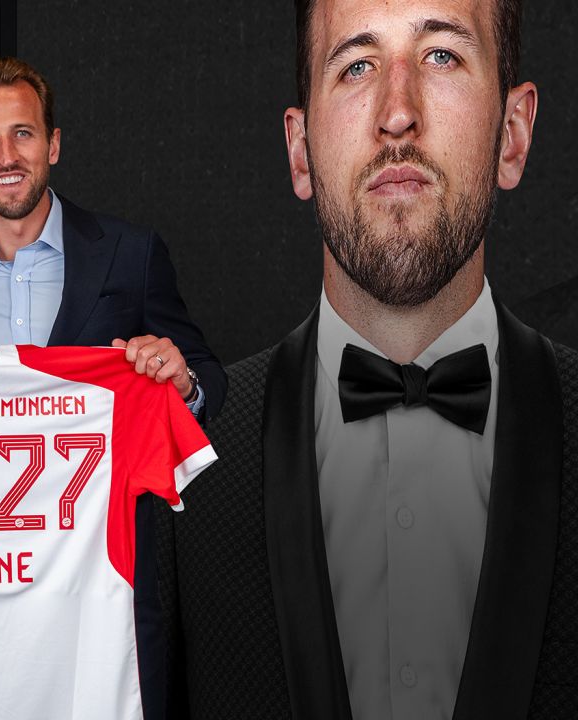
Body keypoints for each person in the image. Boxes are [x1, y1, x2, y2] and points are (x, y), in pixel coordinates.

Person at [156, 1, 577, 719]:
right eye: (357, 65)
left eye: (441, 55)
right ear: (300, 152)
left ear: (513, 135)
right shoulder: (182, 465)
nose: (397, 113)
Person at [0, 56, 226, 719]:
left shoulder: (130, 253)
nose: (7, 155)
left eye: (23, 133)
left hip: (107, 582)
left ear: (52, 144)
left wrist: (182, 378)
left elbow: (210, 383)